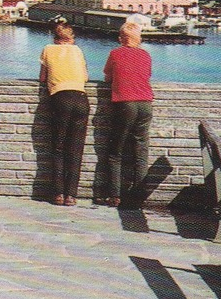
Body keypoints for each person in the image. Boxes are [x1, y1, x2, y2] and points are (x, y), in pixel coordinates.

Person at [101, 19, 154, 207]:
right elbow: (146, 75)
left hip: (125, 103)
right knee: (141, 150)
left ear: (121, 38)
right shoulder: (146, 55)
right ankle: (139, 196)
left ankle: (114, 195)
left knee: (116, 151)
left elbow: (108, 76)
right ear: (138, 38)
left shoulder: (115, 53)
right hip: (146, 103)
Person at [39, 21, 89, 206]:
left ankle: (58, 193)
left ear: (55, 37)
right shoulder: (77, 51)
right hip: (81, 99)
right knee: (76, 150)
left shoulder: (47, 49)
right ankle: (71, 195)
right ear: (71, 37)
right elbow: (85, 77)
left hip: (60, 99)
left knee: (58, 148)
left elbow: (43, 78)